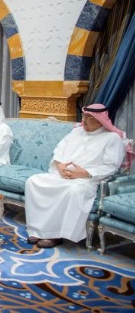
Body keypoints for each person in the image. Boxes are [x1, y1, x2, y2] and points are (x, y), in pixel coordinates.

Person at [24, 104, 132, 248]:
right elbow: (59, 149)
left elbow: (110, 166)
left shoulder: (112, 138)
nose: (84, 120)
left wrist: (84, 173)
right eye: (84, 116)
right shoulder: (76, 131)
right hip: (61, 175)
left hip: (86, 180)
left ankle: (56, 234)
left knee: (73, 191)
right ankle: (38, 230)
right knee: (33, 181)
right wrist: (60, 166)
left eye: (89, 117)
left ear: (100, 120)